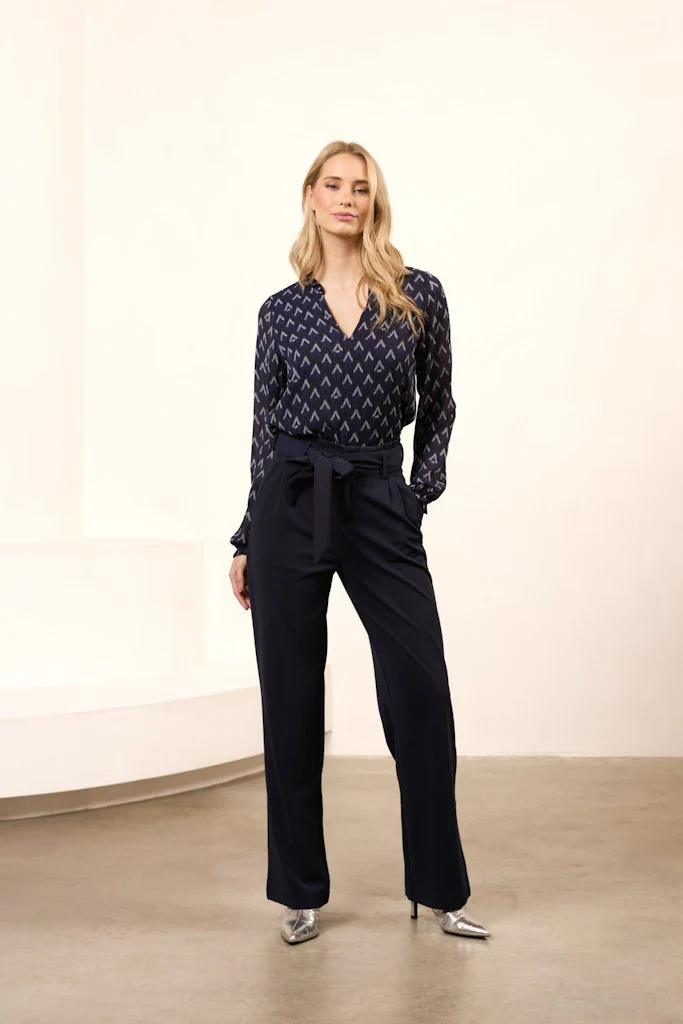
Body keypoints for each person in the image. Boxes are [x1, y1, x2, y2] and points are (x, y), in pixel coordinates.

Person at [228, 140, 490, 945]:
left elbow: (439, 405)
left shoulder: (416, 293)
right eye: (334, 185)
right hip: (290, 500)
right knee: (290, 698)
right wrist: (246, 536)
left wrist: (414, 495)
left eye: (361, 188)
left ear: (375, 202)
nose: (347, 198)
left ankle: (440, 890)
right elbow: (264, 431)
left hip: (378, 496)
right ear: (310, 195)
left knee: (420, 692)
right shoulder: (281, 311)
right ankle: (299, 892)